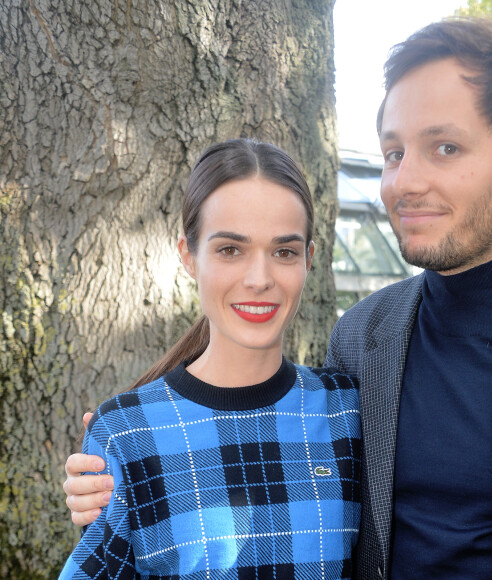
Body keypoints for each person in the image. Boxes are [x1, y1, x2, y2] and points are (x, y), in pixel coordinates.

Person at [63, 17, 492, 579]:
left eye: (445, 147)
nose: (405, 181)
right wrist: (128, 465)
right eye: (394, 153)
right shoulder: (362, 338)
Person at [59, 138, 361, 579]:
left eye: (284, 252)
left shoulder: (347, 409)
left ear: (308, 260)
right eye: (230, 249)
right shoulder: (127, 432)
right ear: (188, 255)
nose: (259, 279)